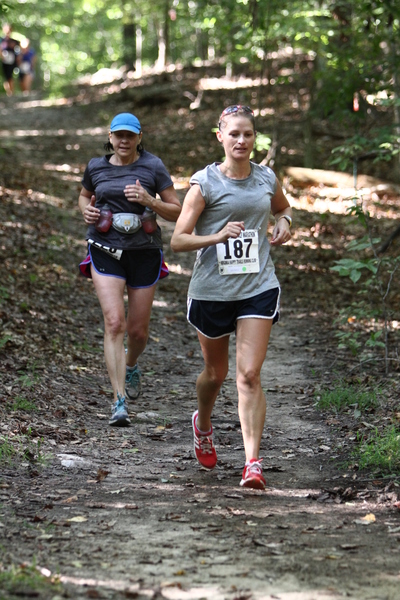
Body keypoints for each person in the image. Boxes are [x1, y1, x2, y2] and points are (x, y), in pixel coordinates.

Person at [171, 104, 292, 490]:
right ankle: (203, 423)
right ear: (220, 136)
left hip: (258, 286)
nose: (241, 140)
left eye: (248, 134)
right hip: (212, 291)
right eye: (234, 134)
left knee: (249, 375)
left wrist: (284, 222)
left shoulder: (266, 177)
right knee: (216, 374)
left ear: (255, 138)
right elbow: (178, 240)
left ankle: (252, 463)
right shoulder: (204, 183)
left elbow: (283, 207)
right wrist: (218, 236)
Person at [79, 112, 181, 427]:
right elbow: (84, 197)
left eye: (130, 135)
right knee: (114, 323)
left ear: (139, 138)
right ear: (110, 137)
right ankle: (118, 400)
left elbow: (176, 210)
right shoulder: (96, 166)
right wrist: (86, 211)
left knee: (137, 331)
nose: (124, 141)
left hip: (144, 253)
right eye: (118, 135)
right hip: (105, 249)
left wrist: (150, 200)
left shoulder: (153, 166)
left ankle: (131, 362)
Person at [1, 24, 20, 96]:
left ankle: (12, 92)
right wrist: (2, 56)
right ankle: (9, 92)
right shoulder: (2, 40)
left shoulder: (14, 41)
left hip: (12, 61)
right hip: (4, 61)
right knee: (6, 76)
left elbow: (18, 50)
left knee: (10, 75)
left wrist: (18, 57)